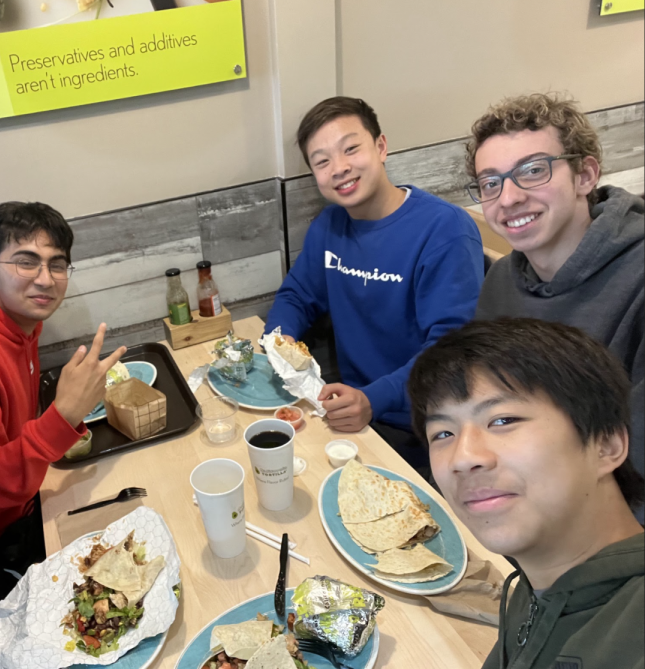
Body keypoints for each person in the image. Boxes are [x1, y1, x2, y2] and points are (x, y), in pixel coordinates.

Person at [408, 318, 644, 669]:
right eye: (442, 433)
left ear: (606, 445)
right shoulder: (530, 589)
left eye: (503, 420)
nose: (463, 458)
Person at [265, 96, 484, 471]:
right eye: (322, 161)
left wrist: (374, 399)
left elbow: (451, 350)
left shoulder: (444, 230)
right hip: (352, 416)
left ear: (381, 147)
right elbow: (297, 296)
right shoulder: (329, 227)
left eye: (351, 149)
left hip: (426, 427)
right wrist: (277, 345)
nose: (340, 168)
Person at [466, 93, 644, 484]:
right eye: (491, 183)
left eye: (533, 171)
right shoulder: (499, 283)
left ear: (585, 175)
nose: (509, 198)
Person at [0, 202, 125, 575]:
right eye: (26, 262)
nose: (45, 279)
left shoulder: (17, 322)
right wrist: (62, 418)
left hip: (31, 497)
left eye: (57, 264)